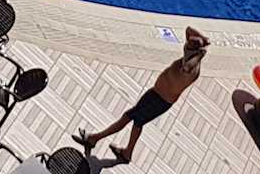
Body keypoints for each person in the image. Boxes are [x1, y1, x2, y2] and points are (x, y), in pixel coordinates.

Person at [76, 27, 208, 163]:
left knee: (129, 117)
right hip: (155, 94)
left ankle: (94, 139)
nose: (185, 47)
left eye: (189, 47)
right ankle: (127, 153)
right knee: (137, 122)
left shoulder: (192, 69)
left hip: (160, 101)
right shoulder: (189, 56)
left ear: (195, 53)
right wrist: (205, 40)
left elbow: (186, 68)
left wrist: (200, 55)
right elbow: (188, 29)